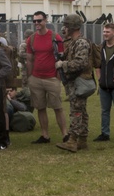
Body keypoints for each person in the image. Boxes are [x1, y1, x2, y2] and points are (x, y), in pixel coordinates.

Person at [25, 11, 68, 143]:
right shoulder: (31, 39)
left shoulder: (55, 37)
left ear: (45, 21)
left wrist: (57, 77)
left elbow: (62, 56)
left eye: (39, 21)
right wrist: (30, 76)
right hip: (36, 78)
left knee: (57, 107)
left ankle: (65, 135)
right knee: (40, 107)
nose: (37, 24)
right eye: (35, 21)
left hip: (52, 78)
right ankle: (45, 135)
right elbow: (30, 59)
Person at [55, 14, 94, 153]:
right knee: (81, 110)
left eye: (67, 25)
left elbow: (81, 63)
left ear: (73, 27)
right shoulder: (74, 42)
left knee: (76, 111)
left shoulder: (81, 43)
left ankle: (72, 140)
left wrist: (63, 64)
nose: (65, 27)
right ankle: (82, 139)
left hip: (79, 81)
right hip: (76, 81)